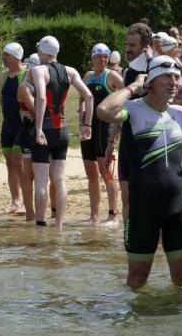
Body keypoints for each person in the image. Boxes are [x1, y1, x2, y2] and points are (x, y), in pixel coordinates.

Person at [97, 56, 182, 287]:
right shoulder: (132, 110)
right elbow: (104, 110)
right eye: (167, 77)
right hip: (142, 209)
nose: (174, 82)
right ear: (150, 81)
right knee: (137, 279)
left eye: (176, 77)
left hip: (178, 207)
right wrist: (133, 86)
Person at [31, 36, 93, 228]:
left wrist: (38, 128)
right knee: (59, 178)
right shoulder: (70, 71)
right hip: (62, 130)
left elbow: (41, 98)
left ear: (42, 52)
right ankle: (59, 225)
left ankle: (40, 226)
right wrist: (87, 125)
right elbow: (89, 96)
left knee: (41, 181)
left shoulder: (38, 70)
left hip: (45, 130)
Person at [110, 23, 154, 222]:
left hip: (149, 139)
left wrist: (152, 60)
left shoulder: (156, 68)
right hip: (128, 139)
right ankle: (128, 236)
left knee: (148, 196)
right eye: (127, 44)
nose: (128, 49)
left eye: (133, 45)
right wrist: (111, 141)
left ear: (145, 47)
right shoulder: (127, 72)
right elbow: (123, 108)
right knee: (126, 196)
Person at [80, 43, 123, 224]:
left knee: (106, 173)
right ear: (93, 58)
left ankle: (113, 214)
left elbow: (126, 97)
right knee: (91, 174)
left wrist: (118, 120)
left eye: (105, 56)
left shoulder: (112, 76)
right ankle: (94, 215)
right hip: (89, 129)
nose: (102, 59)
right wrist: (82, 116)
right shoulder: (88, 76)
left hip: (104, 130)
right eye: (99, 56)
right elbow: (82, 98)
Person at [0, 42, 26, 214]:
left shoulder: (26, 74)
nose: (3, 58)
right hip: (7, 124)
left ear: (16, 57)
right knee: (9, 163)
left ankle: (25, 200)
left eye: (6, 55)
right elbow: (2, 99)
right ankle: (15, 201)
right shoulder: (3, 76)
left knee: (17, 160)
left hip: (21, 124)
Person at [17, 54, 41, 222]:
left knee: (44, 174)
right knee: (29, 174)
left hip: (41, 129)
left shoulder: (43, 83)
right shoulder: (24, 86)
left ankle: (50, 212)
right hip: (28, 131)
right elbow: (36, 110)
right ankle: (30, 213)